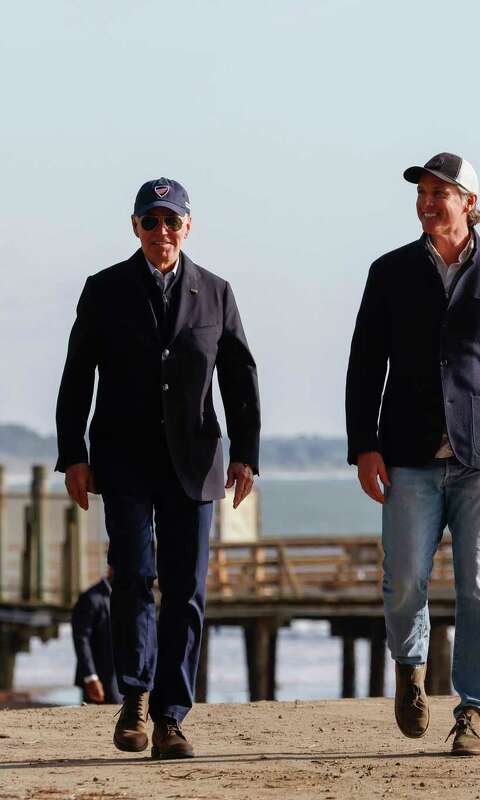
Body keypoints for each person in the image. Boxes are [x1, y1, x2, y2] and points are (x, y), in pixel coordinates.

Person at [346, 152, 480, 756]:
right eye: (423, 193)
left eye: (442, 193)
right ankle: (411, 671)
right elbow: (364, 365)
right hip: (406, 452)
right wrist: (364, 446)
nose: (429, 202)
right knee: (404, 580)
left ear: (469, 202)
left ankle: (471, 709)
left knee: (479, 589)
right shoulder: (389, 272)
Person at [55, 177, 260, 760]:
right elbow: (77, 377)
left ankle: (173, 715)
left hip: (194, 463)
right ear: (136, 227)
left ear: (188, 226)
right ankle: (137, 699)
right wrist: (73, 454)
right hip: (123, 461)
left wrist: (246, 454)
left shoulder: (216, 293)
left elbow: (240, 379)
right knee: (135, 578)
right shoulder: (104, 290)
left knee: (188, 589)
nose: (162, 232)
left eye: (172, 221)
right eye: (152, 222)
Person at [71, 570, 121, 706]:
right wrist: (90, 677)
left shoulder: (127, 597)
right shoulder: (91, 598)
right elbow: (82, 640)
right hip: (100, 679)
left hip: (121, 678)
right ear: (111, 569)